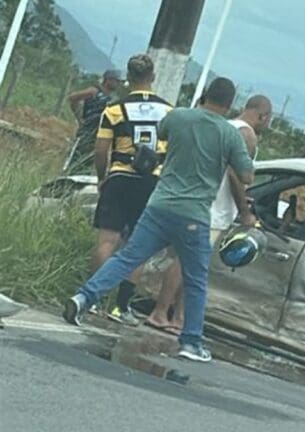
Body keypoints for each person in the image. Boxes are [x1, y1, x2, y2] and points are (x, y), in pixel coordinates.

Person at [64, 77, 256, 363]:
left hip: (159, 204)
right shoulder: (229, 135)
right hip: (194, 214)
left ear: (204, 94)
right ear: (230, 104)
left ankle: (83, 299)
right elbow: (247, 175)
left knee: (127, 256)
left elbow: (163, 137)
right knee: (196, 279)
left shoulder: (177, 117)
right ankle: (191, 341)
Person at [146, 95, 272, 333]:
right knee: (186, 262)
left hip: (195, 200)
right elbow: (237, 176)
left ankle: (178, 317)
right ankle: (162, 313)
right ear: (263, 116)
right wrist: (245, 211)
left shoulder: (226, 126)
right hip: (214, 209)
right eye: (268, 120)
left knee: (189, 262)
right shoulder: (246, 135)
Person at [90, 55, 174, 326]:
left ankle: (91, 300)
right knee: (137, 246)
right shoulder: (169, 112)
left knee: (107, 240)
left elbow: (101, 150)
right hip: (151, 182)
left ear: (128, 77)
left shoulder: (114, 109)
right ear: (152, 77)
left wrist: (103, 177)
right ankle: (119, 307)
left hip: (119, 177)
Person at [65, 69, 122, 173]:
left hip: (99, 136)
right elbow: (73, 98)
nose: (118, 84)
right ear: (108, 80)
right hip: (86, 133)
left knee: (87, 165)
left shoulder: (113, 98)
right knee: (74, 161)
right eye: (116, 81)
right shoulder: (94, 91)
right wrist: (80, 118)